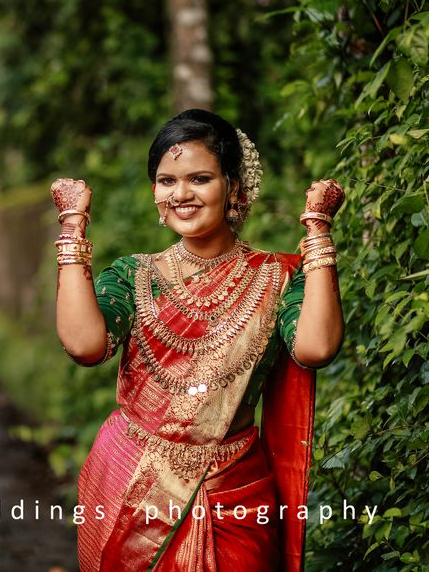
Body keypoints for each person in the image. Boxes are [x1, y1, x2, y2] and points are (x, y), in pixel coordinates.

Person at [52, 109, 345, 572]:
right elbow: (86, 346)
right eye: (167, 181)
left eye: (200, 178)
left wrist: (318, 233)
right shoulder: (134, 276)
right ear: (155, 193)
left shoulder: (278, 279)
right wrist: (72, 230)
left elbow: (316, 348)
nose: (181, 194)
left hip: (234, 491)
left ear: (234, 189)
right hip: (131, 482)